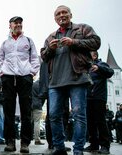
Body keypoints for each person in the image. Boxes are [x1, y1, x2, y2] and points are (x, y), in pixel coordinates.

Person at [40, 5, 101, 155]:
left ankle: (78, 150)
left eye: (64, 12)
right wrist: (50, 49)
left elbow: (96, 42)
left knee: (79, 114)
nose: (62, 15)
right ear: (55, 18)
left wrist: (74, 42)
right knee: (53, 115)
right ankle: (59, 148)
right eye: (58, 14)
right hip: (55, 82)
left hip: (77, 78)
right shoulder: (51, 37)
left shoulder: (82, 29)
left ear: (70, 15)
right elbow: (44, 56)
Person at [0, 16, 40, 153]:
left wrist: (32, 72)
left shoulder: (28, 41)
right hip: (8, 78)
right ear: (9, 25)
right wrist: (1, 72)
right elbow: (0, 59)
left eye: (20, 23)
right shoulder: (5, 43)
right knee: (8, 111)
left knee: (26, 111)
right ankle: (10, 141)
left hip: (24, 78)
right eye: (15, 23)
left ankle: (25, 143)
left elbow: (34, 57)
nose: (18, 25)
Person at [84, 51, 114, 154]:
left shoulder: (101, 64)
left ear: (95, 55)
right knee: (90, 122)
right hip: (88, 98)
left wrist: (99, 68)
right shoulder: (86, 66)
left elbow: (110, 72)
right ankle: (94, 144)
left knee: (100, 121)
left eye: (89, 54)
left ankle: (105, 145)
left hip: (99, 97)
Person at [31, 80, 45, 145]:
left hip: (30, 105)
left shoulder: (33, 84)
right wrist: (40, 104)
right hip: (38, 105)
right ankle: (37, 139)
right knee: (37, 122)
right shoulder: (41, 86)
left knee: (28, 122)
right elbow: (43, 97)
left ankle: (26, 138)